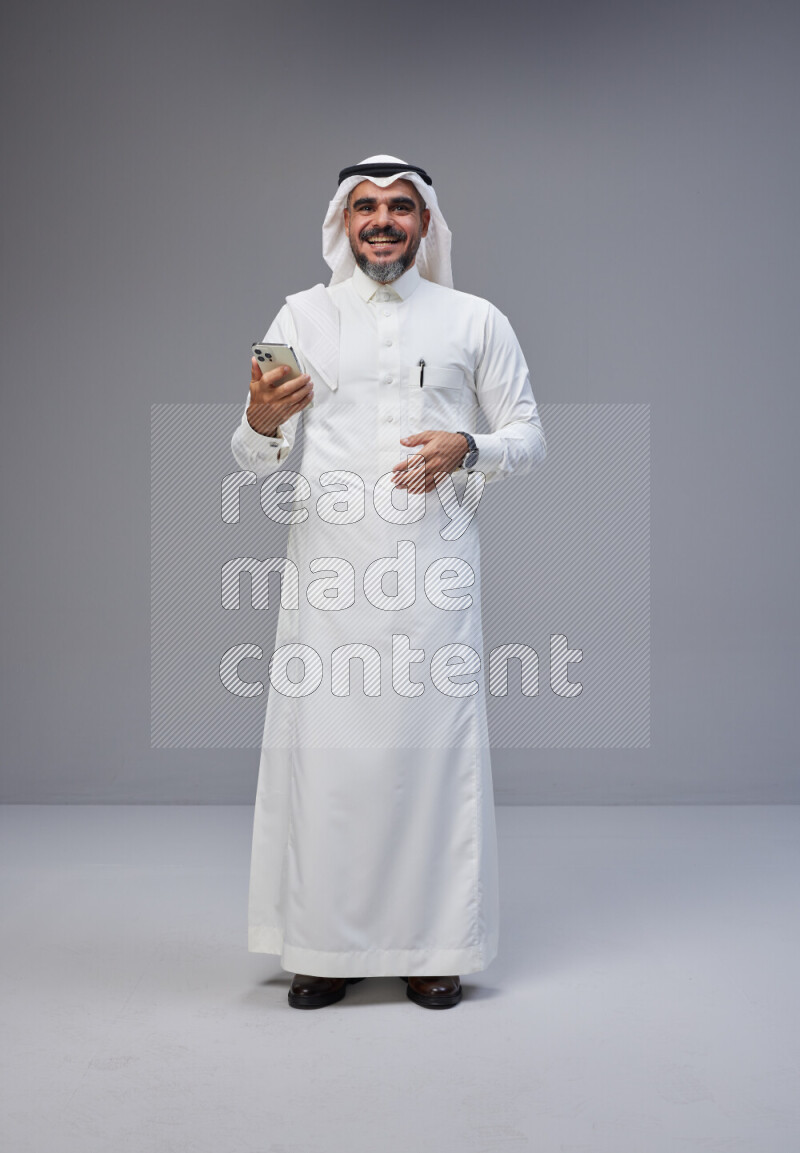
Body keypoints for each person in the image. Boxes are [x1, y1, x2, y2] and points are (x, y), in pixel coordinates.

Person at [230, 154, 546, 1010]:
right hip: (328, 578)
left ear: (426, 224)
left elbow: (529, 434)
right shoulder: (301, 316)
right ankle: (323, 949)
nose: (381, 221)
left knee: (430, 759)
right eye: (365, 207)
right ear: (342, 222)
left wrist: (470, 447)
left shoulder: (474, 319)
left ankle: (432, 946)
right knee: (328, 765)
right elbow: (254, 454)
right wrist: (260, 422)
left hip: (434, 578)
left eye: (400, 208)